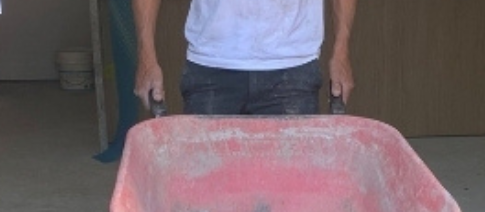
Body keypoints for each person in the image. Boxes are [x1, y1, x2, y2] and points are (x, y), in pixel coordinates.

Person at [132, 0, 356, 116]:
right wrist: (146, 56)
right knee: (209, 191)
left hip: (292, 69)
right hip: (211, 67)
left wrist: (341, 51)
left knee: (287, 193)